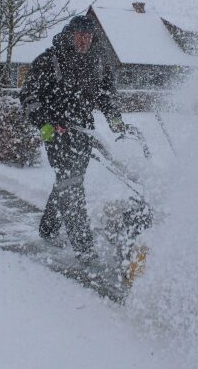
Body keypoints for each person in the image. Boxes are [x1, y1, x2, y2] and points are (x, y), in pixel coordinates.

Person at [20, 15, 127, 261]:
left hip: (83, 132)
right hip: (57, 131)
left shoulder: (98, 62)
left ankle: (48, 229)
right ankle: (83, 247)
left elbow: (106, 96)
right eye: (79, 35)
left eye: (88, 36)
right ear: (70, 35)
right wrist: (44, 122)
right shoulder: (51, 60)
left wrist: (116, 121)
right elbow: (29, 95)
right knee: (71, 183)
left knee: (69, 181)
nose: (84, 40)